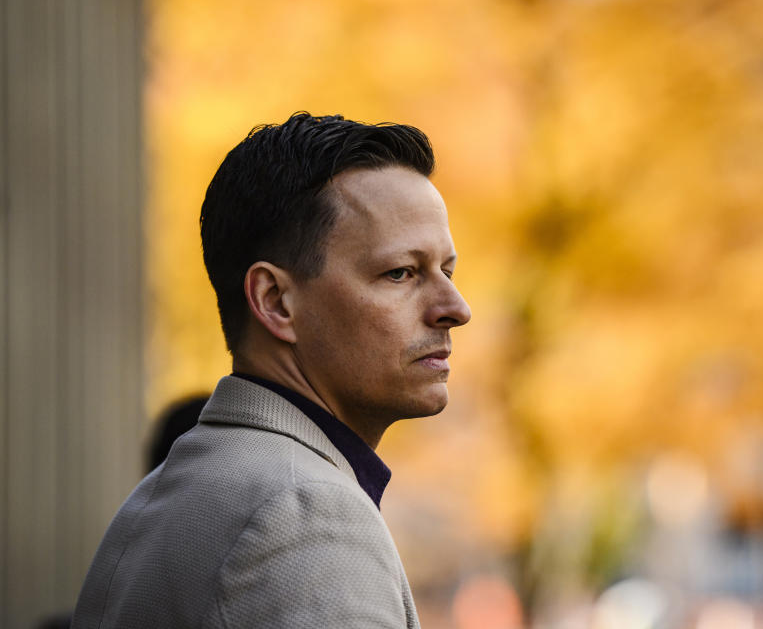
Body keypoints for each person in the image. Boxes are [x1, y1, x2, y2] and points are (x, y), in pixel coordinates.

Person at [72, 113, 471, 628]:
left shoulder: (167, 493)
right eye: (400, 273)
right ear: (275, 300)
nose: (455, 307)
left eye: (448, 271)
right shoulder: (304, 516)